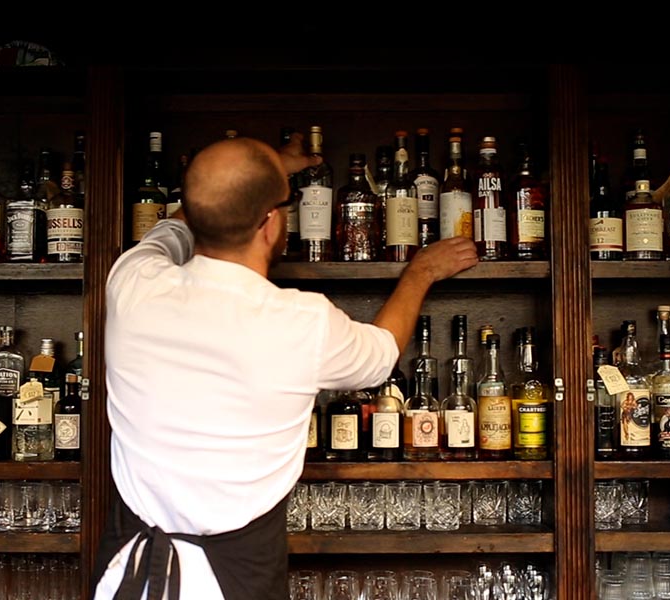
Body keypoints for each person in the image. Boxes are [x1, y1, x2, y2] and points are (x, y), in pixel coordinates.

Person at [91, 133, 479, 600]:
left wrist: (265, 170)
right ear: (272, 224)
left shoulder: (132, 281)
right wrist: (421, 272)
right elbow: (382, 354)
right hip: (240, 576)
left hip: (127, 570)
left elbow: (178, 225)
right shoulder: (303, 321)